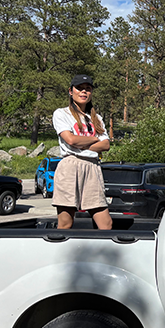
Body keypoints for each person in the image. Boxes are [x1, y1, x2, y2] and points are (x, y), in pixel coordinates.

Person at [51, 74, 112, 230]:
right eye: (79, 88)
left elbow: (105, 145)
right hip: (71, 165)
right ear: (71, 91)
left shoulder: (96, 118)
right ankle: (60, 252)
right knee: (66, 223)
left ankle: (100, 253)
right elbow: (70, 140)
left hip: (92, 167)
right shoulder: (61, 113)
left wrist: (81, 143)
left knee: (106, 224)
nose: (83, 92)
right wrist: (94, 140)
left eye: (88, 89)